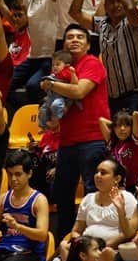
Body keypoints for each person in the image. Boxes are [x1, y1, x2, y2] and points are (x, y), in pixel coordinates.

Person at [39, 24, 109, 241]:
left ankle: (91, 242)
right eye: (70, 37)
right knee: (63, 194)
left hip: (93, 139)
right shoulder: (61, 67)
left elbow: (79, 91)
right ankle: (64, 244)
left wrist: (50, 84)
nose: (75, 40)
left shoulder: (92, 63)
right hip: (67, 141)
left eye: (80, 37)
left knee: (91, 193)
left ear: (88, 44)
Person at [69, 0, 138, 115]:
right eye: (111, 2)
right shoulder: (102, 25)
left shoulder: (135, 22)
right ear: (105, 7)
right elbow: (74, 12)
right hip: (112, 96)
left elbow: (131, 8)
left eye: (120, 1)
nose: (116, 5)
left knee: (135, 137)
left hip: (137, 94)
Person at [5, 0, 58, 105]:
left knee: (33, 86)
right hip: (33, 56)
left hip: (49, 57)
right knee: (4, 83)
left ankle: (39, 122)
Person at [99, 109, 138, 192]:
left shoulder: (135, 142)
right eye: (118, 126)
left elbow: (136, 115)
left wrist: (125, 117)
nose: (122, 129)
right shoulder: (112, 143)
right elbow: (101, 121)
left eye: (126, 125)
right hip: (116, 185)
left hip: (134, 186)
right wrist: (115, 123)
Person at [38, 50, 78, 129]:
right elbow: (44, 84)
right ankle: (43, 126)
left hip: (61, 98)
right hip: (49, 98)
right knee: (42, 110)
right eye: (53, 65)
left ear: (66, 65)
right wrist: (42, 84)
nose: (54, 67)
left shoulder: (67, 73)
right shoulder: (54, 74)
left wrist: (73, 74)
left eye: (58, 64)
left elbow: (74, 83)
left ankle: (55, 122)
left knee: (56, 105)